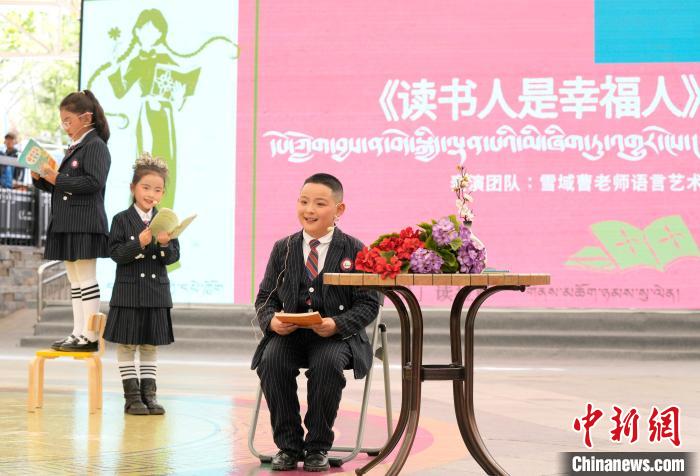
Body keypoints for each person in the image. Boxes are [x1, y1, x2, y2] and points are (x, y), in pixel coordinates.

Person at [251, 173, 379, 472]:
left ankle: (318, 447)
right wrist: (272, 321)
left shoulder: (355, 250)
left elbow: (369, 304)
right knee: (271, 361)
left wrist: (337, 324)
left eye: (320, 204)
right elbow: (265, 298)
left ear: (339, 209)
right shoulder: (283, 248)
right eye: (303, 201)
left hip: (336, 338)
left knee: (327, 364)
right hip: (290, 335)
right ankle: (288, 446)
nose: (309, 210)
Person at [31, 90, 111, 352]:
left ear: (86, 118)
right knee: (75, 281)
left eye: (68, 120)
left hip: (85, 222)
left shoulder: (95, 145)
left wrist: (56, 177)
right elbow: (63, 186)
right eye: (63, 121)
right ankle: (78, 332)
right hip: (68, 221)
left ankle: (90, 335)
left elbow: (93, 183)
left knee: (86, 279)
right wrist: (41, 178)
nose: (65, 126)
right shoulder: (76, 146)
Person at [103, 153, 179, 415]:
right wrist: (139, 243)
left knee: (149, 345)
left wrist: (165, 244)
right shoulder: (121, 220)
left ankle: (150, 396)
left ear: (163, 193)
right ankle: (132, 397)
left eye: (157, 190)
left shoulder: (166, 221)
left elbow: (172, 258)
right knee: (127, 345)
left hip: (156, 293)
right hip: (128, 292)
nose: (151, 194)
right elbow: (115, 254)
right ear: (133, 188)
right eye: (146, 187)